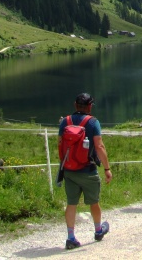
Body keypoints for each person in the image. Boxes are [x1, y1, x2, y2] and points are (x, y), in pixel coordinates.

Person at [58, 92, 112, 249]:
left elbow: (60, 144)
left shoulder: (65, 121)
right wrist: (107, 168)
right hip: (88, 170)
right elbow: (99, 146)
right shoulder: (93, 122)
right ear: (90, 106)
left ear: (75, 105)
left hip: (69, 170)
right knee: (94, 202)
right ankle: (98, 230)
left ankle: (71, 237)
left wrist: (64, 164)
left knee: (71, 203)